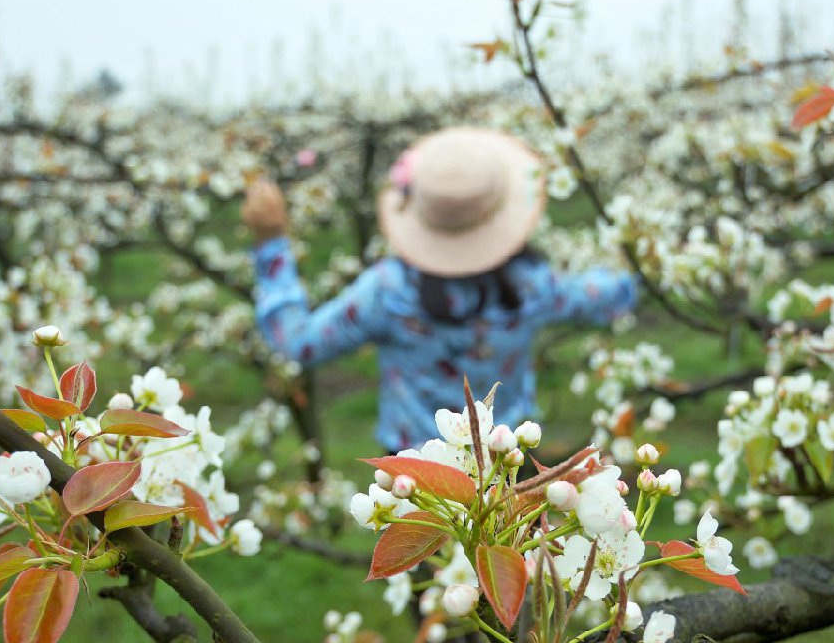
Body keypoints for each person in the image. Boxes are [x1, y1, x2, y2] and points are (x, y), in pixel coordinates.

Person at [242, 126, 637, 453]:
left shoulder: (389, 290)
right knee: (508, 551)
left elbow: (298, 342)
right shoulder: (531, 284)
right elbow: (609, 294)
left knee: (419, 552)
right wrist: (638, 255)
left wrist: (272, 246)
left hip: (413, 479)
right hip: (505, 462)